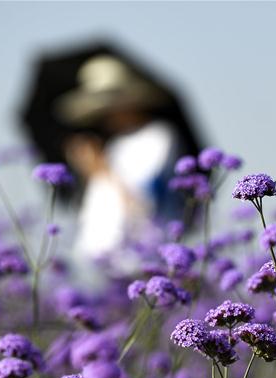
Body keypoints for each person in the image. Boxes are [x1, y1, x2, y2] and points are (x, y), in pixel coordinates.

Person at [49, 51, 195, 260]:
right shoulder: (114, 145)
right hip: (103, 258)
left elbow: (143, 204)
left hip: (141, 256)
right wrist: (88, 172)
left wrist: (101, 169)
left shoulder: (159, 137)